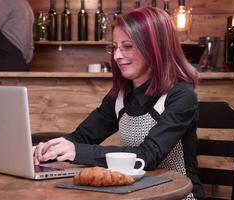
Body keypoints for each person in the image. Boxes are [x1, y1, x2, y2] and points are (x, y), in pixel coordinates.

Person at [34, 7, 205, 199]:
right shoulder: (120, 95)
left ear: (154, 47)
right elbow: (84, 137)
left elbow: (147, 156)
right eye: (115, 47)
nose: (116, 56)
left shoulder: (181, 95)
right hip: (136, 194)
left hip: (179, 195)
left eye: (127, 46)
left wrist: (77, 151)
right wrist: (53, 148)